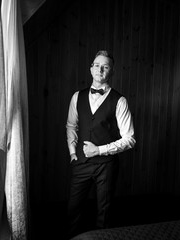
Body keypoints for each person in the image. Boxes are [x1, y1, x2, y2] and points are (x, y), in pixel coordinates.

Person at [66, 50, 136, 237]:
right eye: (97, 65)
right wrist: (73, 152)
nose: (100, 70)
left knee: (104, 214)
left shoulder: (120, 100)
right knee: (73, 211)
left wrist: (99, 150)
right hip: (80, 163)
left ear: (111, 72)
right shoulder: (77, 97)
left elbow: (130, 139)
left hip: (106, 165)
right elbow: (71, 125)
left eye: (105, 67)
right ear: (91, 69)